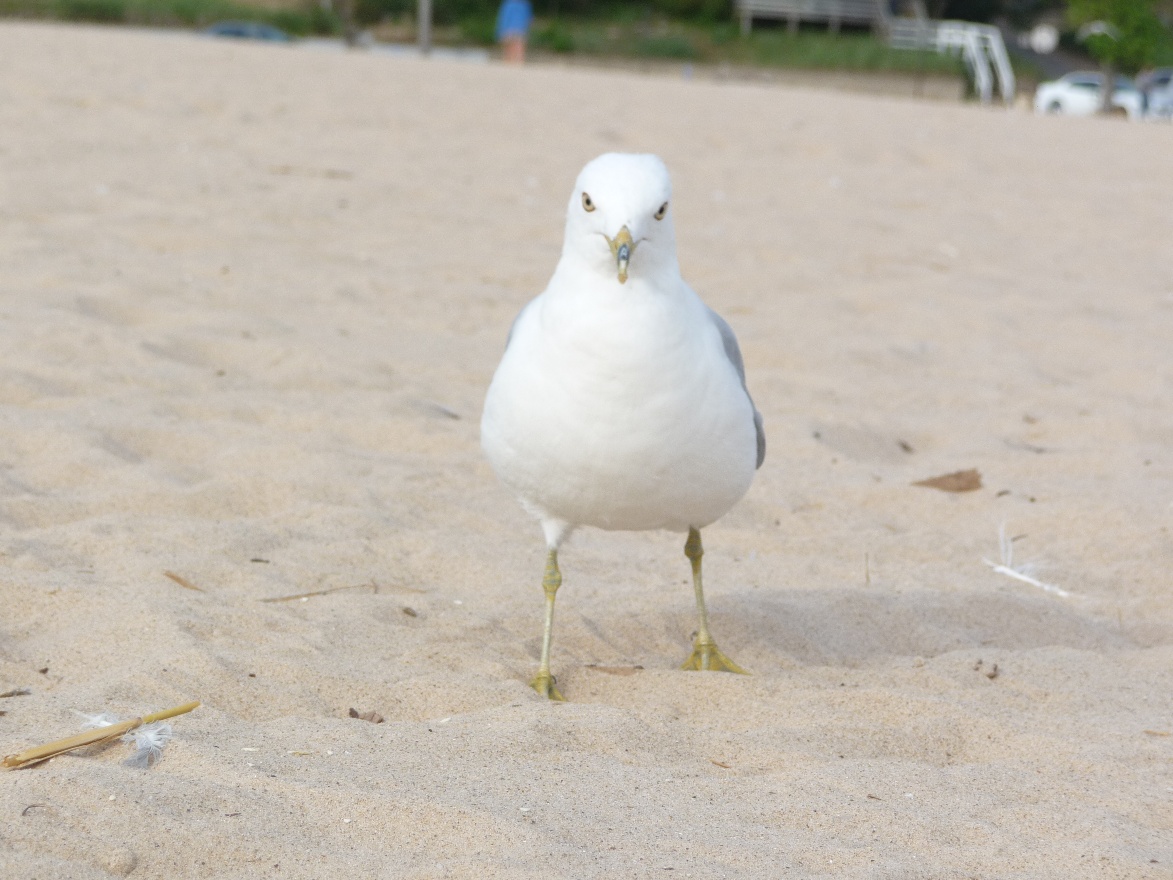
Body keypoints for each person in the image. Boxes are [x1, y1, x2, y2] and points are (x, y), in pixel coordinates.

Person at [495, 0, 532, 64]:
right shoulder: (512, 3)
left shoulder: (511, 3)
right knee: (515, 49)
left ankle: (513, 64)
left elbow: (504, 18)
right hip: (515, 30)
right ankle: (514, 65)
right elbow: (529, 19)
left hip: (515, 30)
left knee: (514, 49)